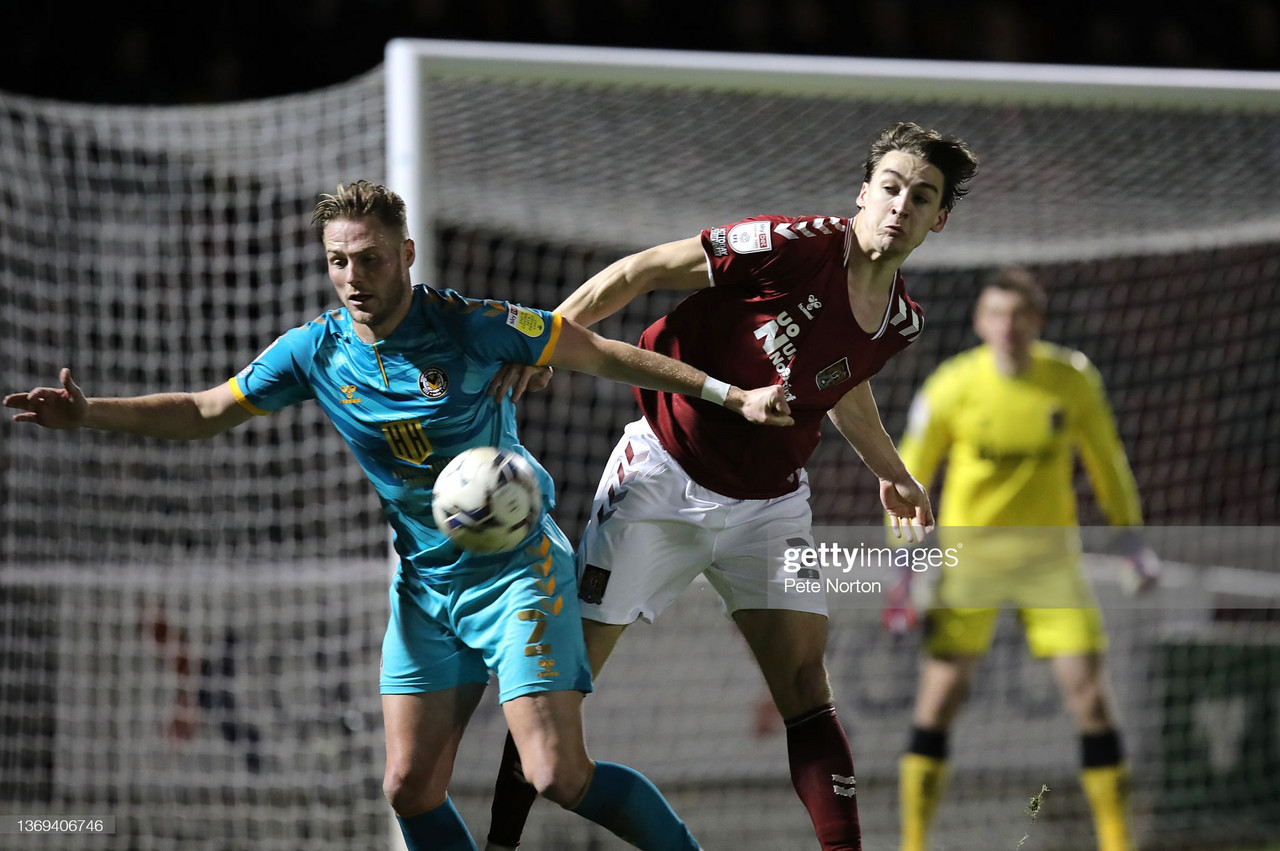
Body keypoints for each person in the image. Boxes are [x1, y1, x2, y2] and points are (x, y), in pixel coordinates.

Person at [3, 180, 798, 851]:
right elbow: (208, 409)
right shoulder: (314, 351)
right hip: (426, 588)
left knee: (558, 773)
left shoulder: (468, 324)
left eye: (370, 258)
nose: (353, 276)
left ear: (407, 254)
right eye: (338, 261)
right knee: (408, 786)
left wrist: (729, 394)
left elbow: (600, 350)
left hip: (519, 572)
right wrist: (91, 413)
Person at [484, 121, 980, 851]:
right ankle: (499, 843)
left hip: (773, 505)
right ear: (863, 192)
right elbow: (643, 269)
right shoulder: (793, 244)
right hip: (661, 476)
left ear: (939, 219)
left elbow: (842, 388)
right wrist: (550, 334)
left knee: (807, 684)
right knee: (558, 688)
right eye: (891, 186)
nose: (901, 205)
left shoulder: (900, 321)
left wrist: (893, 472)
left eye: (921, 196)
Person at [887, 268, 1158, 851]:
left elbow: (1107, 462)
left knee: (1090, 697)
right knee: (939, 698)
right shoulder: (952, 386)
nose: (1008, 327)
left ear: (1038, 321)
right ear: (981, 322)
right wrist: (905, 564)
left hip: (1050, 562)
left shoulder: (1072, 380)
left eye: (1020, 315)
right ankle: (913, 843)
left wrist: (1130, 540)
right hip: (969, 561)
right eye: (997, 314)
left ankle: (1117, 842)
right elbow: (906, 476)